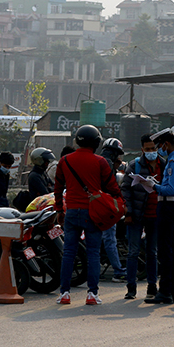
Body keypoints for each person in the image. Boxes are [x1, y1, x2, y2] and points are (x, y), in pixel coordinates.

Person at [55, 125, 121, 305]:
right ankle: (92, 294)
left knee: (69, 252)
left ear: (77, 140)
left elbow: (58, 188)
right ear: (97, 142)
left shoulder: (65, 161)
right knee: (93, 253)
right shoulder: (100, 162)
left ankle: (64, 294)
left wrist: (59, 210)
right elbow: (112, 188)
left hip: (71, 212)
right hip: (92, 213)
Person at [143, 129, 174, 305]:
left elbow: (171, 189)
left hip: (167, 205)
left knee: (165, 251)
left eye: (159, 146)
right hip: (169, 205)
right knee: (170, 250)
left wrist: (153, 186)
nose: (158, 149)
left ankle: (166, 291)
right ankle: (172, 292)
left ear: (166, 144)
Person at [120, 134, 164, 300]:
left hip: (155, 215)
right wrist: (128, 212)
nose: (151, 152)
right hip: (137, 215)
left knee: (152, 252)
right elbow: (125, 190)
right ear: (142, 150)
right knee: (133, 252)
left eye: (153, 148)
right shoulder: (135, 166)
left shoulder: (164, 165)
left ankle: (152, 287)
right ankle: (131, 288)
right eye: (148, 149)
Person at [98, 138, 128, 284]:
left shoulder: (96, 160)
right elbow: (110, 185)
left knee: (97, 239)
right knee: (110, 239)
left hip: (95, 204)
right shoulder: (107, 163)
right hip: (106, 205)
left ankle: (96, 271)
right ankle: (118, 271)